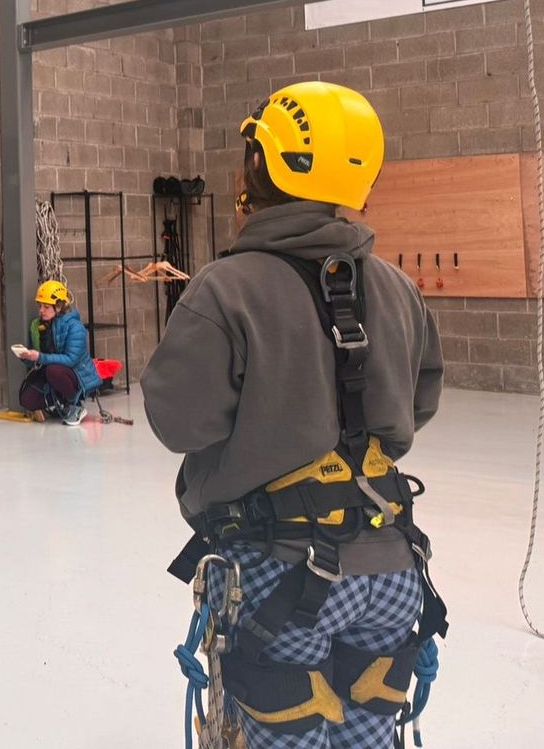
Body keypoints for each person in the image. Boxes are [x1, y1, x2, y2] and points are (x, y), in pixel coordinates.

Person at [141, 82, 447, 749]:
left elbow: (178, 421)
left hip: (281, 576)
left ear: (261, 166)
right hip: (392, 570)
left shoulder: (224, 289)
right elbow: (417, 405)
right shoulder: (398, 289)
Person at [16, 280, 101, 425]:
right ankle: (59, 403)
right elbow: (42, 357)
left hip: (76, 375)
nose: (41, 310)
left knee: (53, 371)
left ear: (59, 306)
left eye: (46, 306)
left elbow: (70, 360)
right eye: (40, 306)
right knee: (26, 400)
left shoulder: (75, 328)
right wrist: (27, 357)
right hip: (53, 369)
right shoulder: (43, 326)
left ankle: (75, 405)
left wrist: (40, 357)